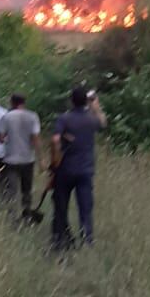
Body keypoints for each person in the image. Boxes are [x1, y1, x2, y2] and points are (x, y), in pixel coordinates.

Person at [51, 86, 107, 249]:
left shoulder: (64, 118)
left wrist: (55, 160)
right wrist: (96, 107)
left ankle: (60, 240)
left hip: (65, 169)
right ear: (86, 101)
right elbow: (103, 123)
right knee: (85, 208)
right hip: (85, 170)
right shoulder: (91, 119)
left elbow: (55, 140)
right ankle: (87, 241)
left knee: (61, 205)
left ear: (71, 101)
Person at [0, 93, 41, 217]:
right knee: (26, 190)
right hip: (28, 159)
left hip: (11, 159)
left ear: (12, 102)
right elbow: (36, 138)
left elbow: (1, 138)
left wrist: (8, 140)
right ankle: (26, 214)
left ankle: (11, 216)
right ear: (24, 102)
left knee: (11, 190)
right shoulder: (33, 116)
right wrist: (41, 158)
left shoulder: (6, 117)